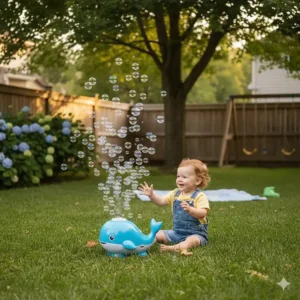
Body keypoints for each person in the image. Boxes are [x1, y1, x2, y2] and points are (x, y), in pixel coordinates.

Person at [139, 158, 211, 255]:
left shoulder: (199, 196)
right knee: (158, 233)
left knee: (192, 241)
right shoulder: (175, 194)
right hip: (176, 233)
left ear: (197, 181)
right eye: (178, 176)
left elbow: (203, 213)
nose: (179, 179)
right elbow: (161, 201)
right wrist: (151, 195)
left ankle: (174, 247)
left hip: (196, 234)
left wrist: (191, 210)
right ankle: (145, 242)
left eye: (184, 177)